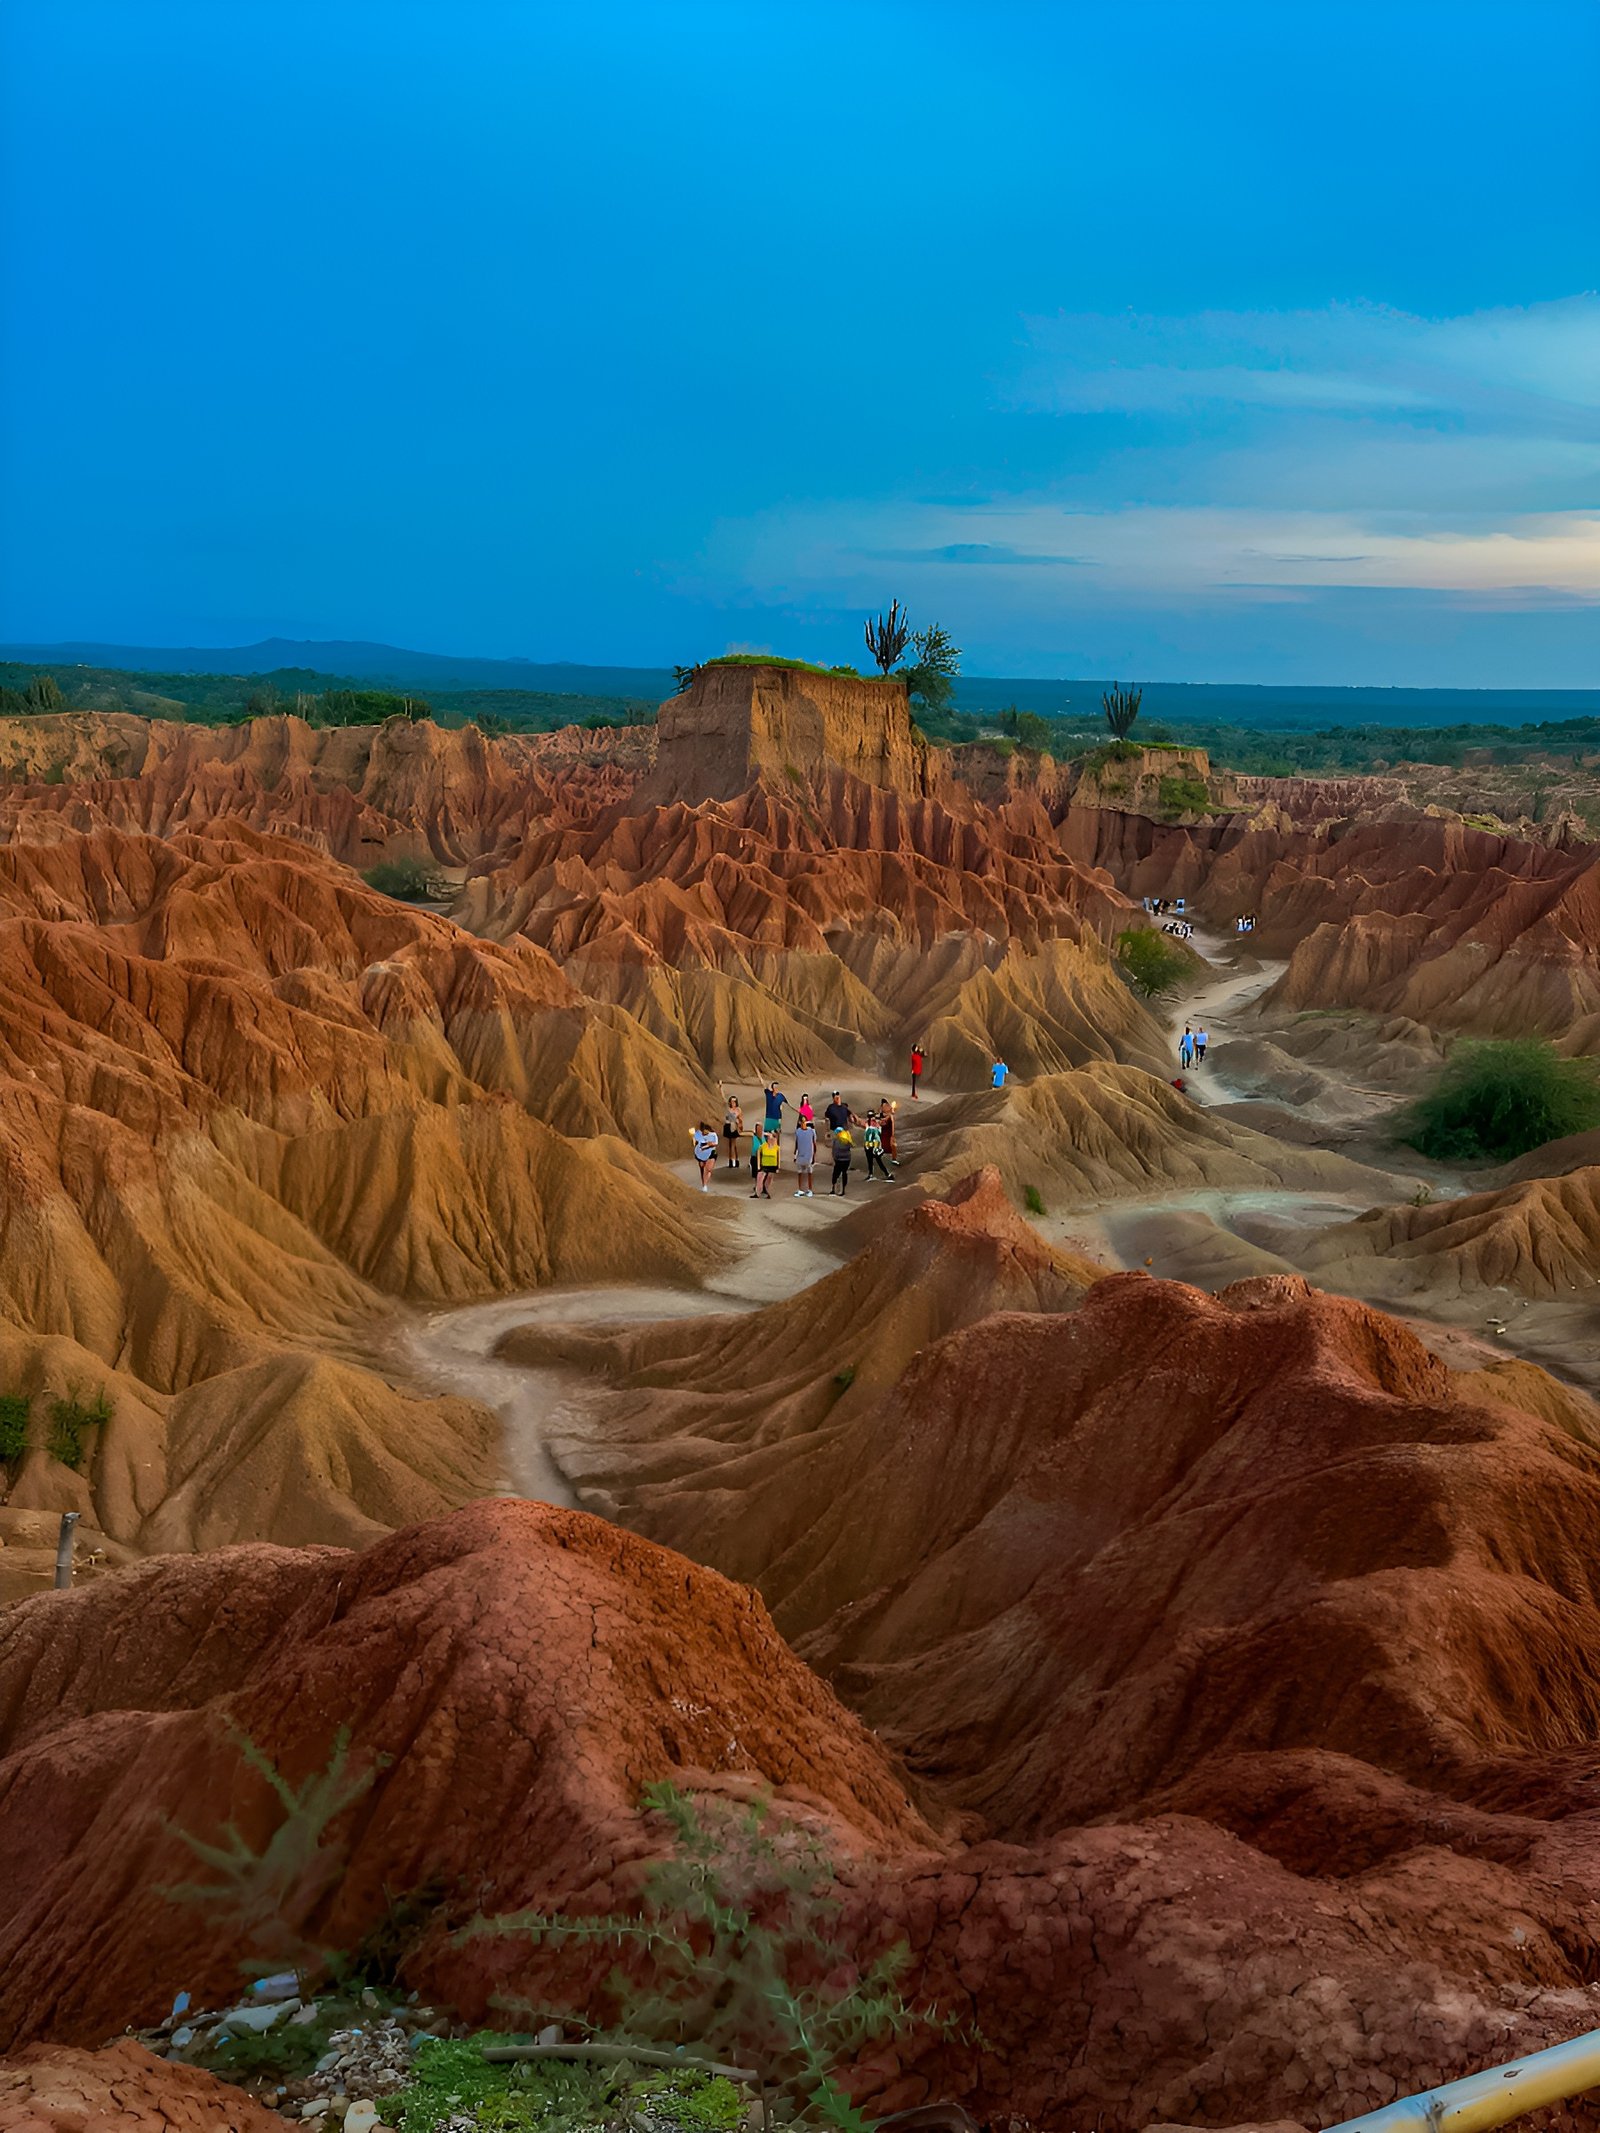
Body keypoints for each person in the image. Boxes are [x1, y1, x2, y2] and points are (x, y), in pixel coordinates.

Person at [864, 1109, 892, 1182]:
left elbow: (883, 1123)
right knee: (870, 1161)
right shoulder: (868, 1123)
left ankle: (887, 1174)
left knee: (879, 1161)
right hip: (868, 1145)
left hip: (875, 1145)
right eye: (869, 1116)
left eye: (871, 1116)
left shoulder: (877, 1123)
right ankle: (870, 1174)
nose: (870, 1118)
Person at [793, 1117, 817, 1196]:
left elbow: (814, 1144)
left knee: (809, 1173)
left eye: (804, 1121)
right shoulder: (798, 1132)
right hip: (800, 1155)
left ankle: (810, 1189)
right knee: (800, 1173)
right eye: (802, 1121)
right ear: (800, 1122)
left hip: (809, 1155)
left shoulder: (811, 1131)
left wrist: (814, 1156)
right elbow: (796, 1144)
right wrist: (795, 1155)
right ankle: (800, 1189)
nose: (803, 1123)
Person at [692, 1120, 718, 1191]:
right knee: (702, 1168)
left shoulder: (713, 1135)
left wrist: (710, 1144)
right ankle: (704, 1184)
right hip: (701, 1153)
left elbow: (715, 1143)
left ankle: (705, 1185)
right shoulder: (698, 1134)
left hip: (711, 1153)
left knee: (708, 1169)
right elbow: (695, 1143)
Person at [829, 1123, 854, 1196]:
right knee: (844, 1173)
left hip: (838, 1159)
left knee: (836, 1173)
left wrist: (834, 1157)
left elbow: (834, 1150)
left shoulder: (836, 1140)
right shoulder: (847, 1139)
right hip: (846, 1159)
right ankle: (843, 1189)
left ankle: (833, 1188)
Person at [757, 1123, 780, 1197]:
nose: (771, 1139)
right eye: (770, 1138)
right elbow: (758, 1155)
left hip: (772, 1165)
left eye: (773, 1138)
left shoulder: (777, 1147)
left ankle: (767, 1192)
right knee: (761, 1178)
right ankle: (758, 1192)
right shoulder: (763, 1146)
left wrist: (778, 1167)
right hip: (765, 1164)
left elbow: (778, 1158)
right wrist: (758, 1165)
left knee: (769, 1179)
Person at [722, 1094, 743, 1169]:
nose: (733, 1103)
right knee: (730, 1144)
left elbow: (740, 1119)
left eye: (734, 1101)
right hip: (728, 1126)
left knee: (733, 1144)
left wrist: (740, 1127)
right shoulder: (728, 1109)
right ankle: (731, 1160)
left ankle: (735, 1160)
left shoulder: (738, 1110)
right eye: (731, 1101)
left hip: (734, 1126)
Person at [748, 1123, 764, 1190]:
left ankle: (761, 1185)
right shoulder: (753, 1137)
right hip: (754, 1156)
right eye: (758, 1129)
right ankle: (757, 1185)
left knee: (761, 1172)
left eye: (760, 1129)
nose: (759, 1130)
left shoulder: (763, 1138)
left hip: (762, 1157)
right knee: (755, 1172)